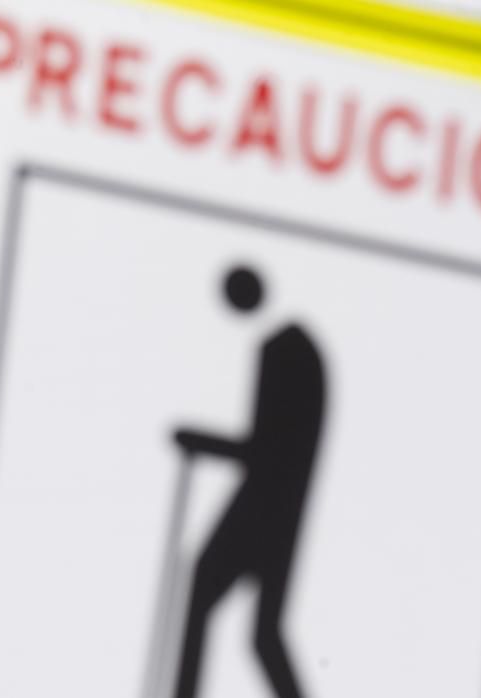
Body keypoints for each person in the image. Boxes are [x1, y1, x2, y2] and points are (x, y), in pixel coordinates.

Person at [172, 267, 326, 698]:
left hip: (267, 505)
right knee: (261, 632)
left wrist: (200, 442)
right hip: (280, 506)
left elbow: (266, 449)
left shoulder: (283, 349)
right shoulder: (294, 347)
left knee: (227, 606)